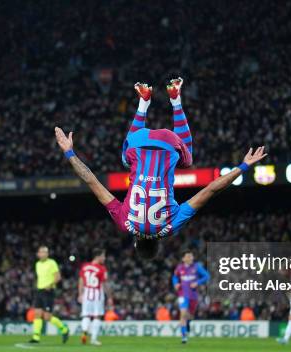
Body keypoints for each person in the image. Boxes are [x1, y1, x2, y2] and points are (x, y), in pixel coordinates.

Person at [54, 77, 267, 259]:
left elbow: (210, 189)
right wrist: (69, 152)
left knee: (187, 161)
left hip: (168, 141)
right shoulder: (123, 221)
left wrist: (243, 165)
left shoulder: (171, 226)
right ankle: (143, 103)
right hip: (139, 140)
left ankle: (175, 99)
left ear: (159, 243)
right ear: (136, 243)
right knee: (126, 159)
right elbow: (91, 180)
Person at [29, 246, 69, 344]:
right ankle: (36, 337)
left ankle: (64, 329)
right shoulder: (37, 264)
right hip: (39, 291)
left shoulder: (52, 263)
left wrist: (50, 285)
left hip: (48, 291)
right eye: (42, 252)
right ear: (38, 254)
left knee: (47, 317)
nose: (44, 254)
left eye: (46, 252)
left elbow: (58, 277)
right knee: (37, 314)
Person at [173, 250, 210, 344]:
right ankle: (184, 337)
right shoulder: (180, 268)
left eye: (191, 256)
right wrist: (176, 283)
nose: (190, 258)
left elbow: (207, 276)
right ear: (183, 258)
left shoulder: (197, 267)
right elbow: (175, 277)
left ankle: (188, 323)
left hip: (193, 295)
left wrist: (197, 283)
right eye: (188, 256)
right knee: (183, 313)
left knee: (190, 316)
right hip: (182, 294)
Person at [78, 248, 111, 346]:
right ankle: (93, 339)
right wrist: (109, 297)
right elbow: (105, 284)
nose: (104, 258)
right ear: (98, 256)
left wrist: (80, 294)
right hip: (97, 294)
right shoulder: (102, 269)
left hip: (87, 293)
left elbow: (81, 281)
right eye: (103, 256)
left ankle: (84, 331)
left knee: (86, 315)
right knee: (97, 316)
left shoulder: (85, 267)